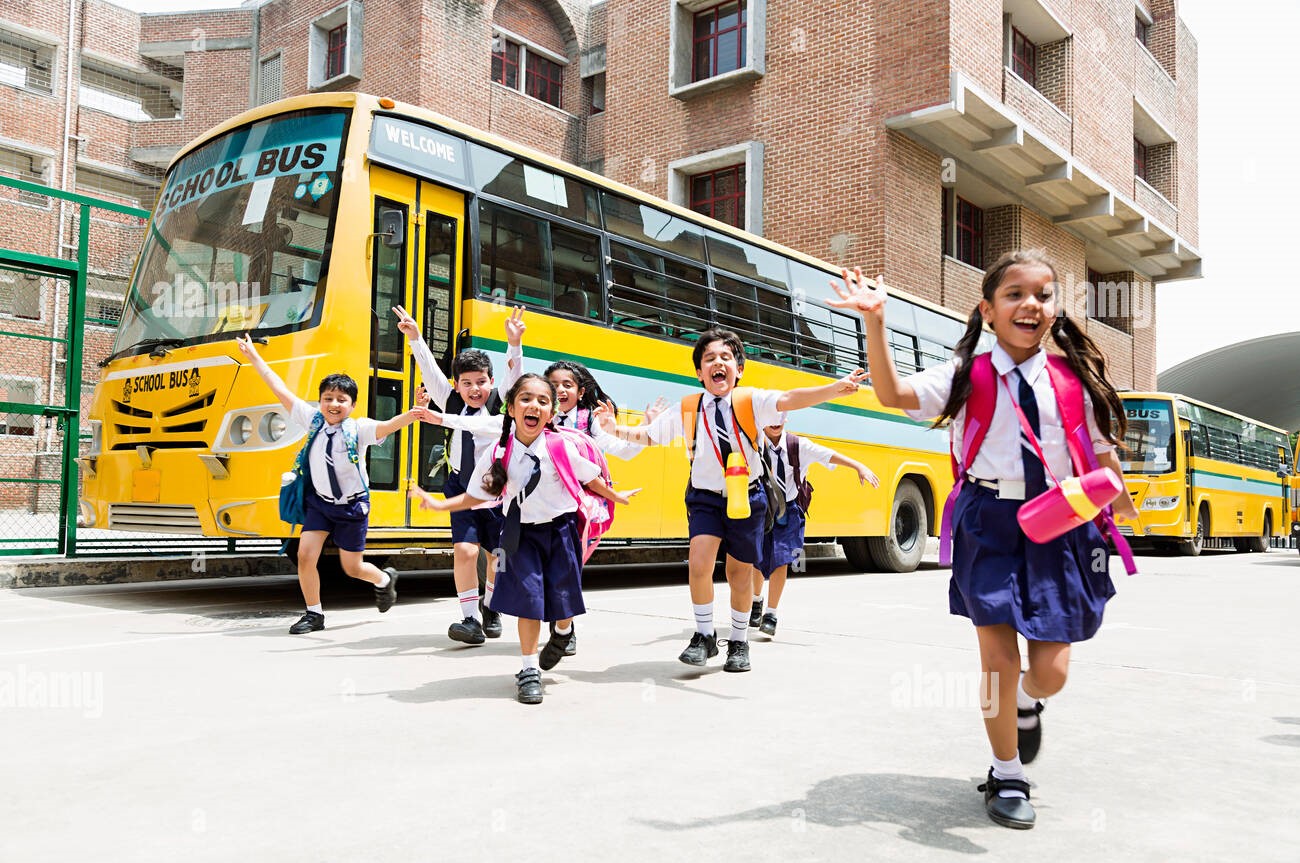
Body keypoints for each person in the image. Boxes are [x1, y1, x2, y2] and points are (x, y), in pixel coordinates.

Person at [828, 251, 1139, 830]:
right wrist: (874, 321)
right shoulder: (965, 373)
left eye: (1043, 295)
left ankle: (1027, 701)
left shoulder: (1071, 381)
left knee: (1052, 671)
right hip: (987, 520)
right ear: (988, 310)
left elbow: (1098, 452)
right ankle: (1007, 773)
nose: (1030, 304)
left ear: (1055, 310)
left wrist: (1119, 511)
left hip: (1058, 523)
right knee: (997, 658)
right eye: (1015, 294)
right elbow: (892, 395)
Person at [597, 328, 867, 673]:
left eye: (725, 357)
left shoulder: (750, 400)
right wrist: (611, 428)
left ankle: (738, 643)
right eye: (709, 359)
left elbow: (790, 399)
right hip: (705, 498)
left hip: (747, 496)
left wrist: (832, 388)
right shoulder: (689, 408)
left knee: (740, 573)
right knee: (699, 564)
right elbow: (649, 435)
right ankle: (704, 636)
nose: (718, 363)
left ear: (738, 369)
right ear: (699, 372)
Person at [411, 374, 636, 704]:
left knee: (563, 599)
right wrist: (440, 503)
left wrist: (617, 497)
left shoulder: (561, 446)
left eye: (543, 401)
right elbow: (476, 495)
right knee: (529, 602)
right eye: (526, 399)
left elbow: (591, 478)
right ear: (512, 408)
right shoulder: (499, 452)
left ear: (550, 412)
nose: (535, 406)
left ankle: (562, 631)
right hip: (521, 534)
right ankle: (529, 670)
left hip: (561, 532)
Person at [235, 333, 424, 634]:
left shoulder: (359, 429)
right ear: (321, 400)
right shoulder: (312, 420)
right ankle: (314, 614)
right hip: (320, 504)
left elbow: (389, 425)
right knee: (305, 555)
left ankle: (385, 580)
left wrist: (414, 413)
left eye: (341, 400)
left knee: (352, 568)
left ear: (352, 405)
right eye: (328, 398)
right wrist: (255, 358)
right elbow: (278, 388)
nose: (334, 404)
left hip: (352, 506)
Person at [394, 304, 523, 646]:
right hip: (460, 485)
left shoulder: (500, 404)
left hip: (496, 489)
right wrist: (417, 339)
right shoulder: (450, 401)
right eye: (467, 383)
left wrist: (514, 345)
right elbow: (430, 371)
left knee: (499, 556)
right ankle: (469, 620)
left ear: (491, 382)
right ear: (457, 384)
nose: (475, 388)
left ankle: (492, 605)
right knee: (465, 551)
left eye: (481, 382)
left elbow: (514, 377)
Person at [748, 414, 879, 636]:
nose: (775, 420)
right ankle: (756, 601)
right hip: (762, 508)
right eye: (770, 415)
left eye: (780, 416)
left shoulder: (798, 445)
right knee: (757, 560)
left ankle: (771, 614)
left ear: (786, 419)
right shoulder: (754, 444)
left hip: (788, 510)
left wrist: (858, 466)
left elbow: (829, 455)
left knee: (782, 559)